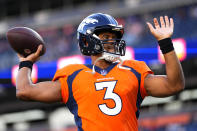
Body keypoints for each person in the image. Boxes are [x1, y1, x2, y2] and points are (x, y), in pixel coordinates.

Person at [16, 13, 185, 131]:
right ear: (87, 41)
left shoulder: (133, 70)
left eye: (114, 37)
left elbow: (174, 85)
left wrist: (165, 43)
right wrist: (26, 62)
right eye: (106, 37)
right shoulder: (73, 76)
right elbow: (24, 91)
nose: (112, 42)